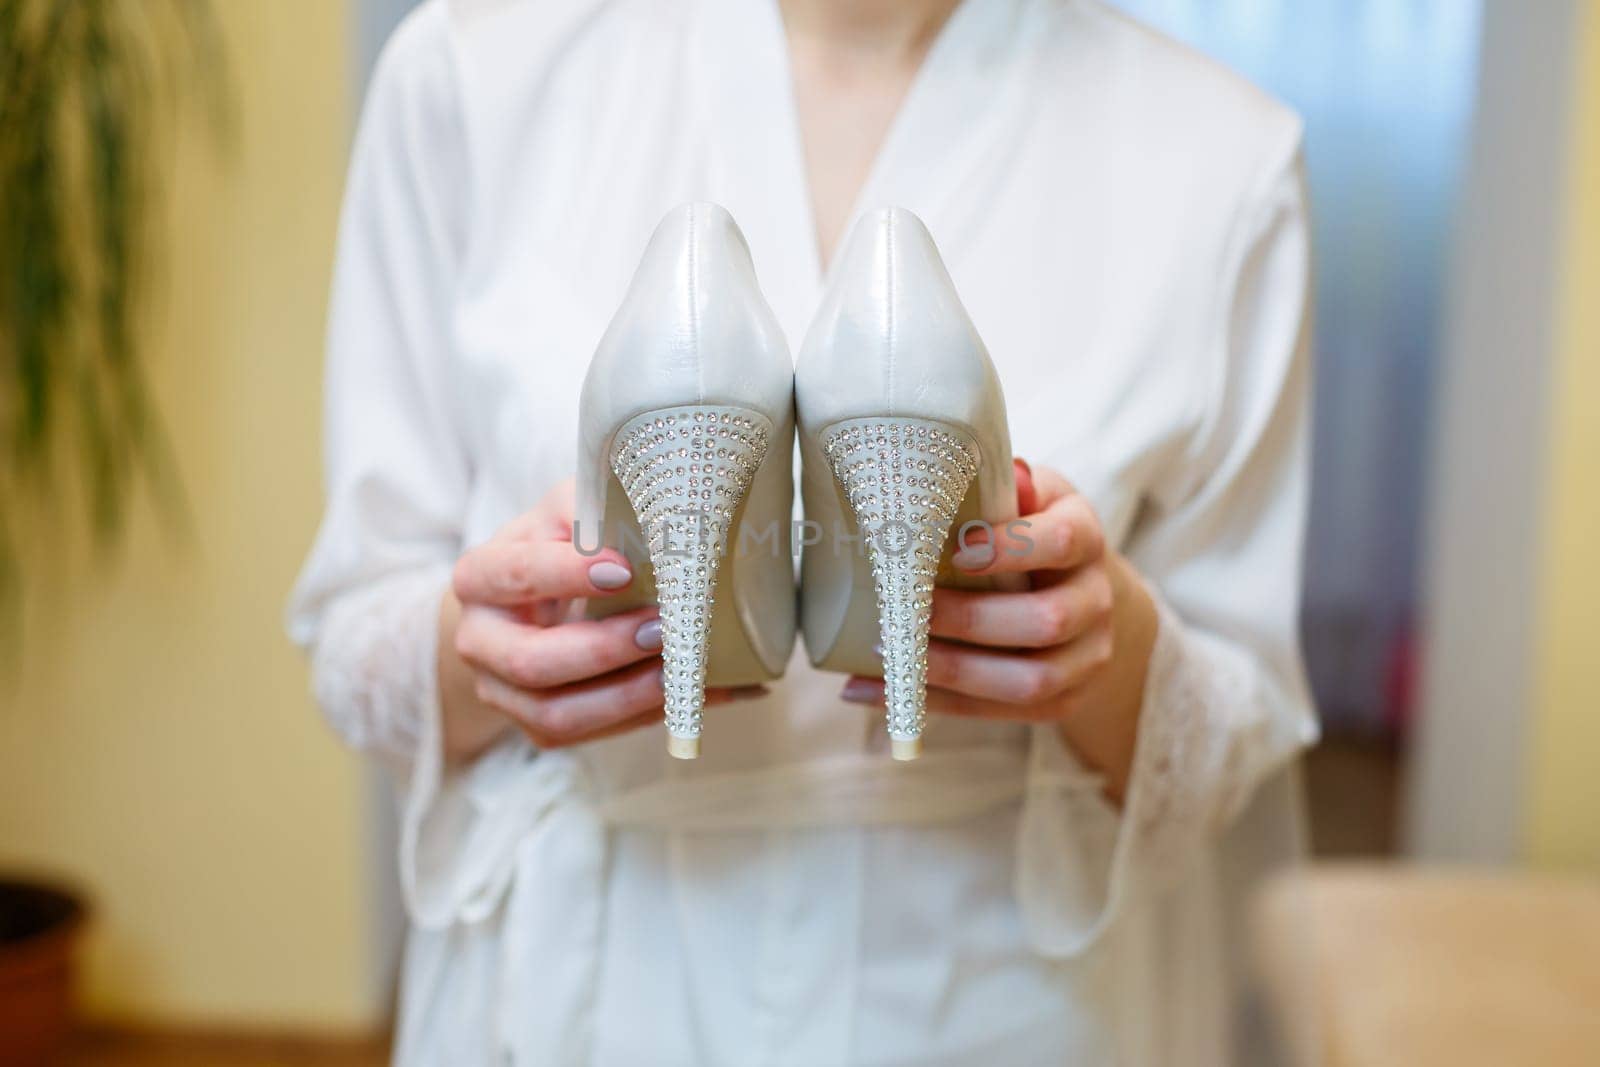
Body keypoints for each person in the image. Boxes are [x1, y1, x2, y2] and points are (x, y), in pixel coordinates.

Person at [288, 0, 1316, 1063]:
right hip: (586, 980)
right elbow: (356, 638)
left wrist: (1107, 651)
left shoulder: (1221, 161)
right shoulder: (475, 73)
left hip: (986, 995)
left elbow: (1234, 740)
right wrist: (485, 646)